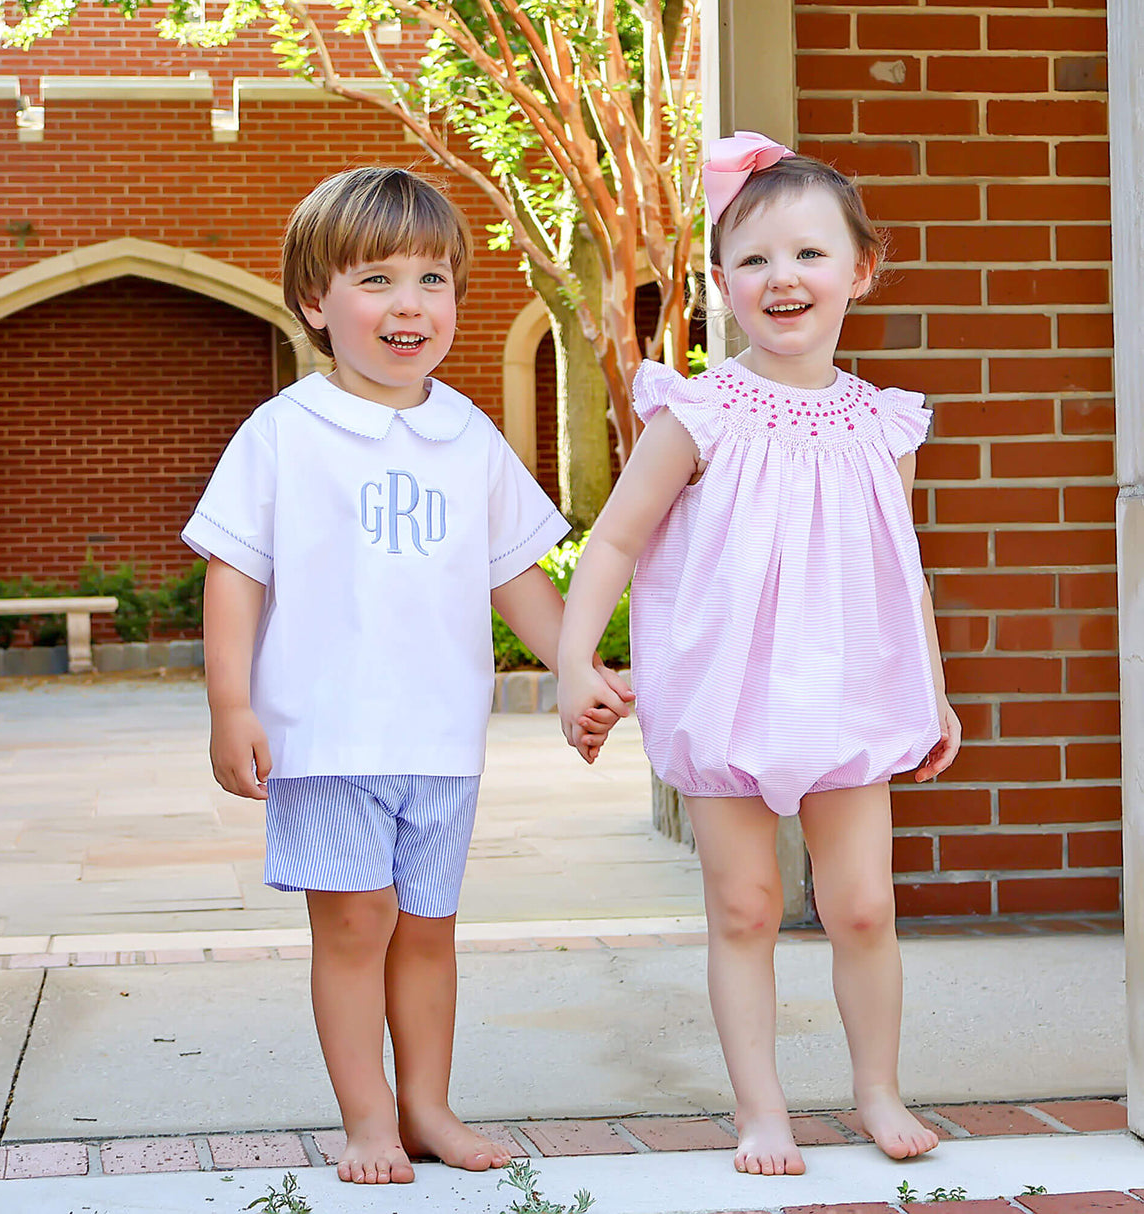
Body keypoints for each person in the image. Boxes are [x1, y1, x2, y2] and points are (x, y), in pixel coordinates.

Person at [183, 167, 629, 1186]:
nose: (408, 305)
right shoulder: (284, 433)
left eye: (433, 279)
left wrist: (574, 669)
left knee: (427, 929)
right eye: (376, 279)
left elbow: (511, 568)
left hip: (438, 738)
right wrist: (231, 705)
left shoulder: (463, 431)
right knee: (353, 926)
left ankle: (427, 1104)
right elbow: (234, 573)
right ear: (314, 302)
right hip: (324, 734)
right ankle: (367, 1118)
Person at [556, 132, 962, 1178]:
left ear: (858, 270)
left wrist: (932, 688)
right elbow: (613, 539)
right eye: (752, 259)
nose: (781, 278)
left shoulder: (883, 423)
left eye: (808, 255)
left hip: (845, 687)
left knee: (860, 903)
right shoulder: (696, 411)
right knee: (742, 906)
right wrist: (572, 658)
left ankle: (876, 1088)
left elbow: (898, 566)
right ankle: (761, 1109)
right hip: (728, 687)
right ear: (723, 282)